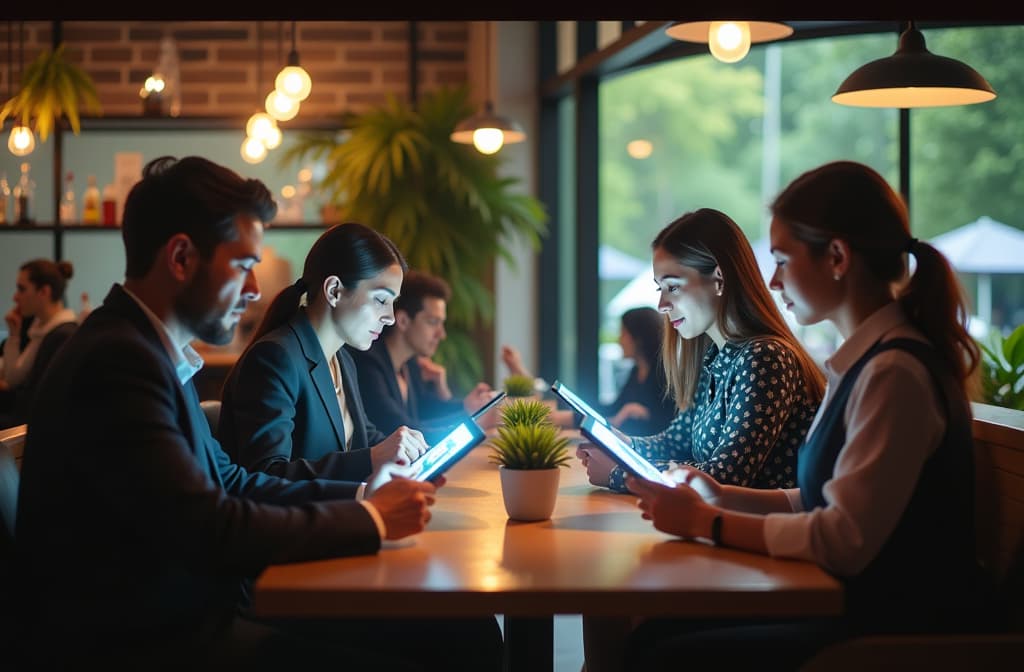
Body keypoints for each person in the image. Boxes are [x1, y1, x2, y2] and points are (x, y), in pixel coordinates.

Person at [13, 156, 501, 671]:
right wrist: (368, 518)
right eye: (244, 266)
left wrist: (364, 497)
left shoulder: (142, 352)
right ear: (181, 257)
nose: (253, 290)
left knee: (462, 628)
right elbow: (211, 528)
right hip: (154, 641)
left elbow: (233, 480)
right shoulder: (118, 362)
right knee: (459, 640)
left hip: (192, 613)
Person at [625, 161, 997, 671]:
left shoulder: (894, 374)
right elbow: (828, 500)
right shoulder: (868, 362)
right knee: (652, 634)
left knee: (658, 652)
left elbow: (841, 540)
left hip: (888, 630)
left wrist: (710, 522)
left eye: (782, 259)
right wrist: (722, 496)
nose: (773, 280)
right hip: (851, 604)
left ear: (838, 257)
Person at [577, 208, 825, 494]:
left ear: (719, 278)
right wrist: (623, 445)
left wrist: (619, 475)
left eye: (672, 286)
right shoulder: (715, 358)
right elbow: (677, 442)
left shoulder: (765, 357)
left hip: (755, 535)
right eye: (660, 288)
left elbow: (726, 477)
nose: (662, 305)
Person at [218, 222, 431, 483]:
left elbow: (362, 438)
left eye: (392, 303)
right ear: (334, 291)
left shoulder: (342, 360)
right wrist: (372, 458)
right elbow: (266, 475)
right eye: (380, 300)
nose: (389, 318)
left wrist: (414, 449)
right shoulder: (275, 359)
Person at [347, 269, 496, 444]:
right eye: (433, 322)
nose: (442, 334)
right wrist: (473, 424)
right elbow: (404, 431)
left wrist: (467, 406)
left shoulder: (409, 364)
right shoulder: (368, 366)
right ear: (402, 320)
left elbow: (426, 410)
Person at [501, 307, 677, 436]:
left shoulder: (664, 378)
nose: (618, 340)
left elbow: (660, 427)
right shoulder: (636, 372)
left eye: (623, 334)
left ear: (638, 338)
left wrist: (629, 415)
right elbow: (608, 411)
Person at [0, 259, 79, 427]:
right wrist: (14, 336)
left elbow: (33, 401)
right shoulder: (41, 327)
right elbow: (15, 378)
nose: (15, 297)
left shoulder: (62, 335)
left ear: (44, 292)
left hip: (28, 429)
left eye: (21, 289)